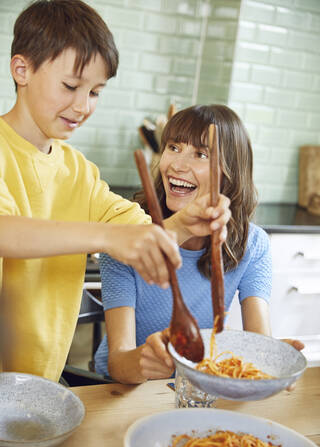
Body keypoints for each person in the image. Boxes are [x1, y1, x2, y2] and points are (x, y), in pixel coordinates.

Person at [0, 1, 230, 382]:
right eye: (71, 86)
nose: (83, 106)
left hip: (39, 383)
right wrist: (107, 236)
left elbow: (144, 233)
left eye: (95, 92)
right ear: (21, 69)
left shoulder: (80, 171)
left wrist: (188, 223)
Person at [94, 104, 304, 384]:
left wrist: (270, 362)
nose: (177, 165)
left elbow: (259, 341)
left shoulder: (251, 244)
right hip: (120, 388)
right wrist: (145, 360)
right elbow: (119, 362)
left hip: (193, 384)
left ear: (229, 171)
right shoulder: (130, 237)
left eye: (201, 154)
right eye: (174, 147)